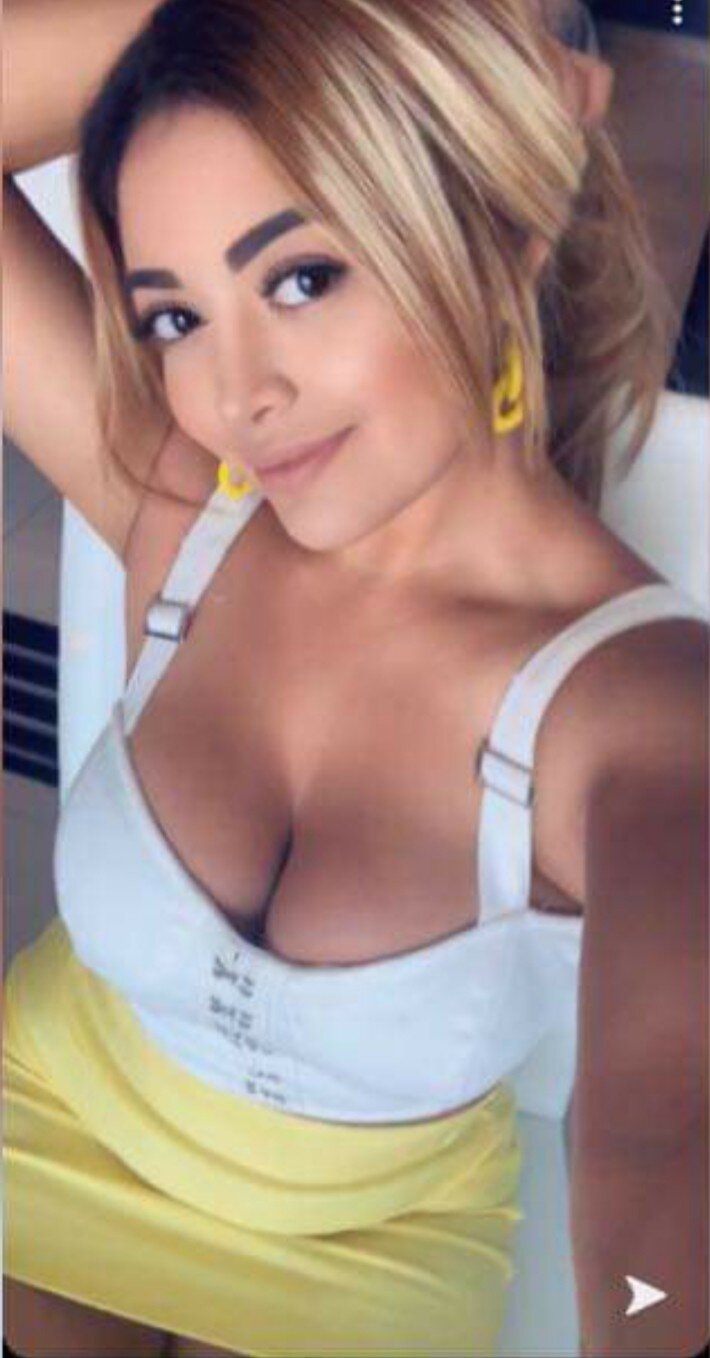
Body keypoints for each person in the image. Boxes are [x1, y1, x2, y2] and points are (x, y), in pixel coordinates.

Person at [3, 2, 707, 1356]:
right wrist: (283, 16)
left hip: (372, 1255)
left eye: (300, 279)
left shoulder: (639, 710)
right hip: (44, 1135)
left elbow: (660, 1134)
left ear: (495, 223)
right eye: (174, 317)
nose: (236, 395)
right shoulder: (178, 512)